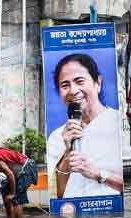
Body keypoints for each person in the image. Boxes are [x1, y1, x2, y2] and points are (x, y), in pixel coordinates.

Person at [46, 53, 124, 199]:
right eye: (65, 85)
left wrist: (98, 174)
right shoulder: (57, 137)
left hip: (110, 216)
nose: (73, 91)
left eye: (79, 81)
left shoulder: (118, 124)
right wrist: (67, 154)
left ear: (98, 83)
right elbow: (57, 195)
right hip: (71, 215)